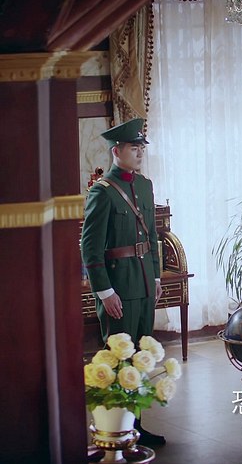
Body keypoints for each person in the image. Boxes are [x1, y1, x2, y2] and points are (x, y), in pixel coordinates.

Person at [80, 118, 166, 446]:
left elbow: (152, 235)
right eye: (134, 147)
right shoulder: (103, 191)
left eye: (142, 147)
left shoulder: (144, 186)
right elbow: (90, 248)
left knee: (141, 355)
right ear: (117, 151)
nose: (140, 152)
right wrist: (105, 292)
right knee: (119, 357)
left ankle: (136, 426)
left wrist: (155, 276)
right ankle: (115, 429)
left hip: (143, 283)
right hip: (118, 286)